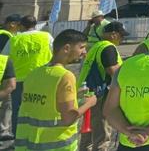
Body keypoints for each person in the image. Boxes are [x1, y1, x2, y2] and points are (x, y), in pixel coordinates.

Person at [15, 29, 95, 151]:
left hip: (28, 144)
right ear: (66, 48)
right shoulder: (65, 76)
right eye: (82, 47)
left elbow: (43, 102)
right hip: (56, 145)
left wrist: (74, 95)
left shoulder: (34, 74)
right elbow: (68, 118)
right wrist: (89, 102)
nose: (84, 52)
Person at [77, 21, 127, 151]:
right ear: (113, 34)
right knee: (102, 132)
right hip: (98, 94)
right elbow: (113, 71)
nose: (122, 39)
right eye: (122, 36)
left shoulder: (97, 46)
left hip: (86, 91)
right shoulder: (108, 47)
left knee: (88, 130)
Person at [7, 14, 53, 134]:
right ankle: (38, 133)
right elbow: (55, 52)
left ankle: (18, 135)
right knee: (40, 106)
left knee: (18, 108)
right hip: (42, 78)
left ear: (21, 25)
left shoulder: (14, 39)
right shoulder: (46, 36)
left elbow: (4, 58)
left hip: (19, 79)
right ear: (35, 25)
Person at [0, 14, 19, 143]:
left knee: (6, 103)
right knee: (5, 102)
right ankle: (3, 130)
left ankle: (4, 130)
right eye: (18, 25)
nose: (19, 28)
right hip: (4, 71)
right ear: (12, 24)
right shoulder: (6, 35)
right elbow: (4, 55)